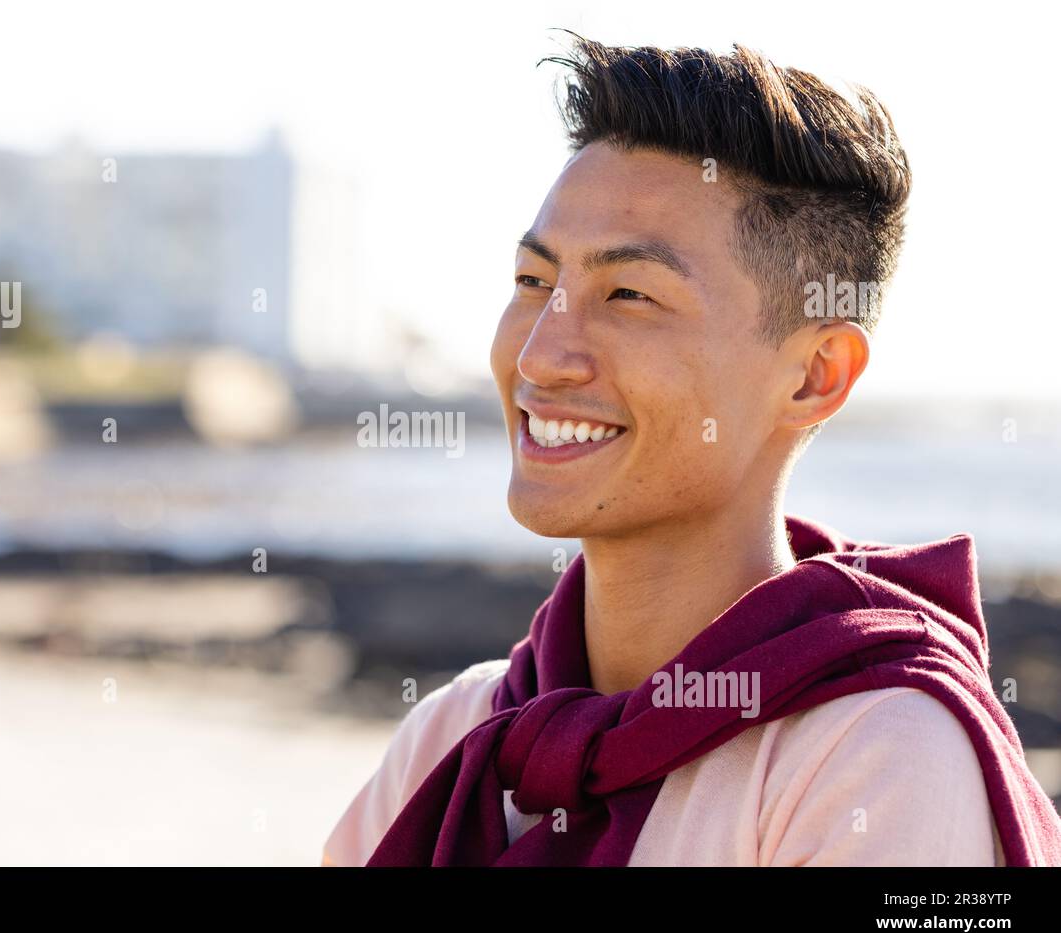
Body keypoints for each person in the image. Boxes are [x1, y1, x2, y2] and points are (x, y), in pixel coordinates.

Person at [323, 35, 1061, 866]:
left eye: (629, 294)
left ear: (815, 375)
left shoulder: (873, 756)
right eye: (534, 283)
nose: (538, 356)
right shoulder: (456, 734)